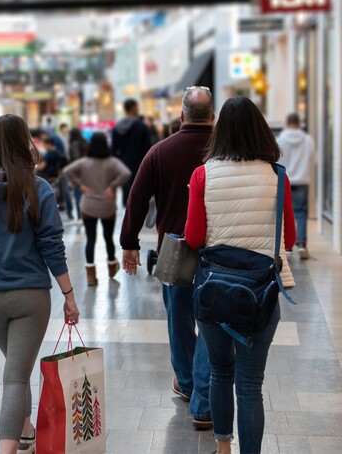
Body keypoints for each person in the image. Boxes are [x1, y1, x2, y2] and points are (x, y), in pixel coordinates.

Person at [0, 114, 79, 454]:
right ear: (25, 143)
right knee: (16, 377)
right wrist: (69, 294)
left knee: (14, 368)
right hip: (30, 297)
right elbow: (52, 245)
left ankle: (26, 432)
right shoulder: (37, 189)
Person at [184, 96, 295, 454]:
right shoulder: (278, 176)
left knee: (220, 373)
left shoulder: (203, 174)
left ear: (220, 132)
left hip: (215, 290)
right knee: (250, 384)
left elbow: (194, 237)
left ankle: (222, 448)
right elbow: (289, 238)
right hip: (261, 295)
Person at [120, 86, 215, 430]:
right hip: (219, 250)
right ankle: (205, 392)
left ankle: (188, 384)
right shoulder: (225, 151)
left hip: (175, 250)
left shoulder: (160, 151)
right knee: (213, 320)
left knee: (179, 317)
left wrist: (129, 242)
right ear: (213, 116)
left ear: (181, 116)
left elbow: (137, 197)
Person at [63, 133, 130, 286]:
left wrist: (80, 186)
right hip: (107, 206)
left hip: (88, 206)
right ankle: (112, 267)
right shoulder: (112, 162)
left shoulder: (84, 162)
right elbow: (126, 173)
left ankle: (91, 276)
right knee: (108, 238)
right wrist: (113, 186)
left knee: (90, 240)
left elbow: (67, 171)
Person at [277, 113, 315, 260]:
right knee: (301, 213)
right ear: (299, 124)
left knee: (285, 213)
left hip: (285, 180)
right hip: (302, 180)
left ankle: (287, 246)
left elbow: (275, 159)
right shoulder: (308, 140)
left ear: (287, 123)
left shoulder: (279, 140)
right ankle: (302, 244)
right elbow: (313, 159)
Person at [112, 99, 153, 206]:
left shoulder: (117, 128)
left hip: (123, 165)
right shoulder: (141, 127)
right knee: (139, 195)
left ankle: (128, 217)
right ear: (133, 108)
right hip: (140, 165)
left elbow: (113, 150)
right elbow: (148, 149)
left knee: (127, 195)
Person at [67, 127, 89, 217]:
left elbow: (76, 158)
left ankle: (80, 215)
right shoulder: (84, 142)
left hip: (77, 171)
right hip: (86, 170)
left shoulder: (74, 144)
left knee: (78, 193)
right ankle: (86, 213)